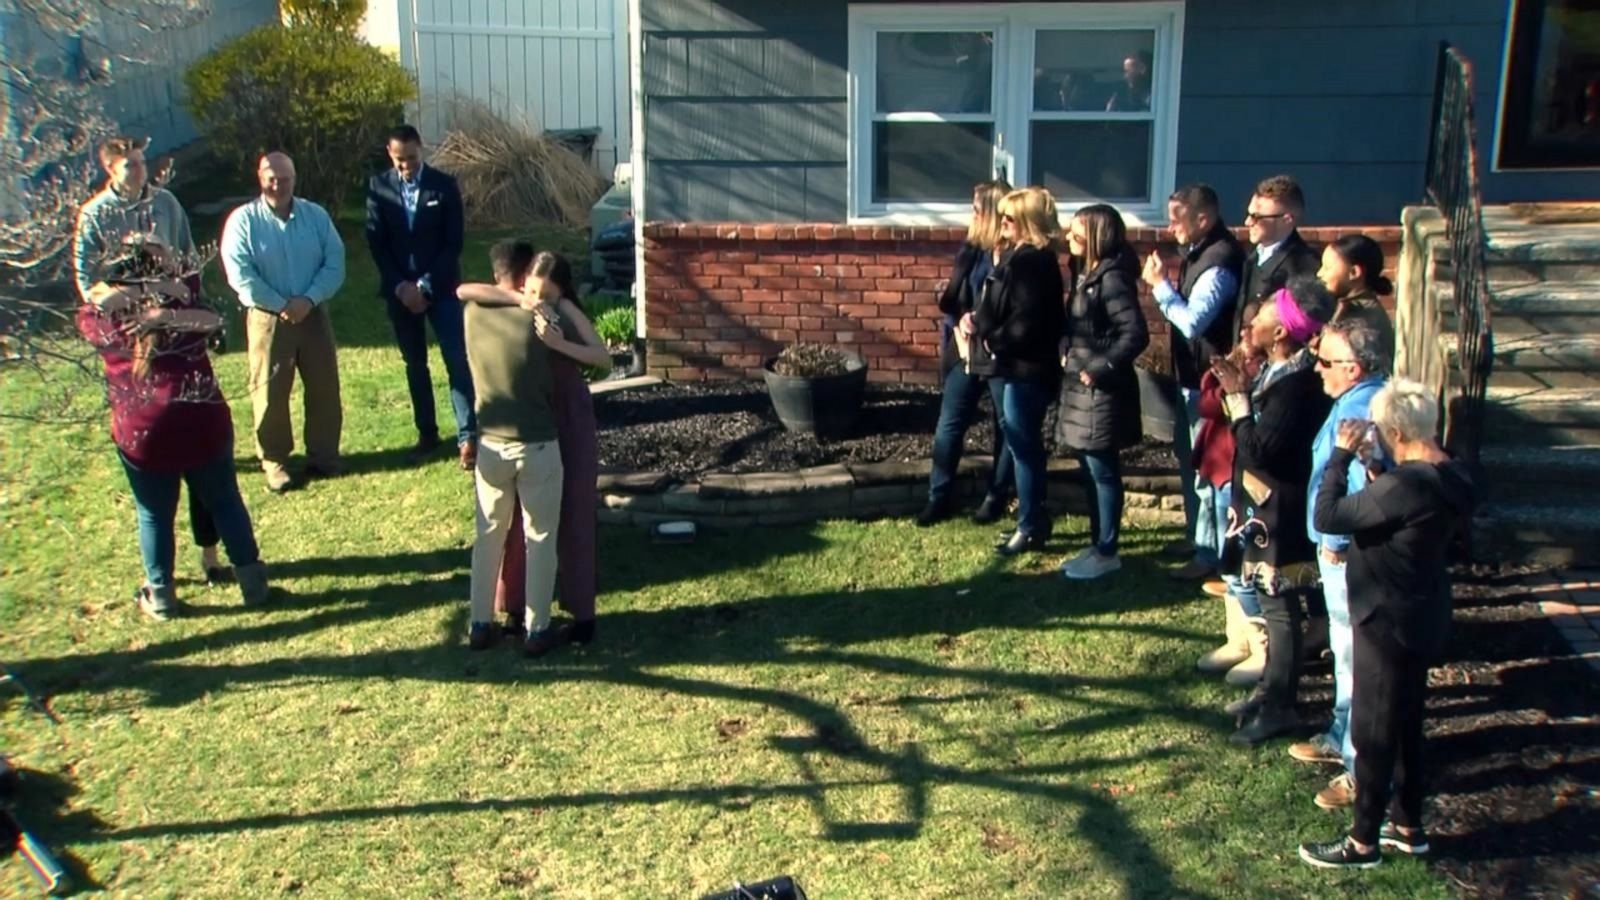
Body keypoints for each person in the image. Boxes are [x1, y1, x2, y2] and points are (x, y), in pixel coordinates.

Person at [1299, 378, 1478, 869]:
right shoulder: (1454, 476)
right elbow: (1400, 518)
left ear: (1396, 429)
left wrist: (1338, 457)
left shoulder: (1407, 486)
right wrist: (1375, 465)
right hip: (1424, 611)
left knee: (1374, 731)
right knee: (1408, 722)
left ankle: (1362, 841)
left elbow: (1330, 513)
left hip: (1384, 618)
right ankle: (1408, 824)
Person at [77, 236, 269, 620]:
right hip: (201, 420)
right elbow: (212, 318)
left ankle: (162, 596)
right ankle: (253, 584)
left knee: (153, 513)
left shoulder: (102, 319)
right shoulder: (183, 305)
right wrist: (165, 305)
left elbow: (91, 304)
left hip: (143, 433)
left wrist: (125, 289)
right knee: (225, 500)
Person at [74, 134, 230, 583]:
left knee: (201, 458)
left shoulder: (166, 204)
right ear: (111, 171)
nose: (138, 171)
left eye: (141, 162)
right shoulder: (94, 217)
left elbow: (186, 262)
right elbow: (90, 288)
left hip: (177, 327)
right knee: (160, 486)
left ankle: (210, 556)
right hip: (131, 337)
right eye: (129, 166)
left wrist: (180, 301)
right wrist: (141, 298)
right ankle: (162, 578)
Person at [1210, 276, 1334, 745]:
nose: (1251, 321)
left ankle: (1281, 704)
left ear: (1281, 331)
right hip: (1260, 510)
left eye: (1262, 315)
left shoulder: (1300, 386)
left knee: (1281, 610)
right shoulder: (1274, 372)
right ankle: (1269, 692)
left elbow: (1262, 447)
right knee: (1268, 604)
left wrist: (1239, 401)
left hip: (1281, 515)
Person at [461, 252, 608, 647]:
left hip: (528, 430)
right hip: (537, 431)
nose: (535, 297)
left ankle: (491, 621)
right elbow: (464, 289)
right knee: (528, 532)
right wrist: (530, 305)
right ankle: (526, 620)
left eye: (543, 292)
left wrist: (558, 335)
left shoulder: (550, 312)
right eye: (529, 288)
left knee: (514, 528)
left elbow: (602, 357)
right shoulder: (534, 315)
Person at [1288, 316, 1391, 811]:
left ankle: (1358, 769)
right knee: (1343, 650)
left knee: (1353, 658)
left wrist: (1335, 538)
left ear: (1353, 368)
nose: (1317, 370)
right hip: (1339, 549)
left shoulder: (1363, 409)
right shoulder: (1354, 398)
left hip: (1347, 553)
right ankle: (1339, 730)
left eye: (1325, 362)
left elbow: (1356, 483)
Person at [456, 240, 567, 656]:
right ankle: (537, 629)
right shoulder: (540, 319)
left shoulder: (472, 315)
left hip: (491, 442)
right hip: (537, 442)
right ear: (525, 278)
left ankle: (480, 623)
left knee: (488, 535)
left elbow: (465, 290)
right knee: (539, 538)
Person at [220, 152, 346, 493]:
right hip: (267, 317)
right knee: (270, 390)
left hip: (313, 311)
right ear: (261, 178)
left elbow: (335, 262)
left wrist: (308, 299)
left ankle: (324, 455)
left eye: (285, 178)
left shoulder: (315, 216)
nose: (278, 185)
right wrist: (280, 304)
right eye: (271, 178)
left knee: (324, 387)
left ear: (295, 178)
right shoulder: (243, 221)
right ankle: (275, 462)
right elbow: (240, 274)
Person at [1142, 184, 1244, 580]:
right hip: (1192, 379)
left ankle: (1211, 558)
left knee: (1210, 471)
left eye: (1176, 218)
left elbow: (1192, 323)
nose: (1170, 227)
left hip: (1210, 382)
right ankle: (1196, 537)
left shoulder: (1219, 261)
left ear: (1203, 219)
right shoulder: (1199, 252)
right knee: (1192, 463)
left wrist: (1160, 286)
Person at [364, 124, 477, 470]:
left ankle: (467, 436)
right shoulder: (378, 187)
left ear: (421, 149)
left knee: (455, 359)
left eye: (411, 158)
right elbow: (376, 242)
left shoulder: (443, 186)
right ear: (390, 153)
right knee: (415, 364)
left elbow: (453, 243)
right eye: (399, 160)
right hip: (400, 292)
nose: (406, 166)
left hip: (440, 288)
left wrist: (426, 286)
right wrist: (401, 287)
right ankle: (427, 433)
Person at [1054, 203, 1148, 579]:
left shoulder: (1111, 279)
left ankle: (1107, 551)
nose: (1068, 238)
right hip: (1080, 388)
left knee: (1102, 471)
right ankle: (1098, 545)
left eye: (1076, 232)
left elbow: (1135, 333)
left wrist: (1098, 367)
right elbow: (1079, 324)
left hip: (1100, 392)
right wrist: (1066, 343)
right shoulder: (1085, 272)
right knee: (1090, 470)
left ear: (1095, 236)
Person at [974, 187, 1067, 556]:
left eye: (1009, 218)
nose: (1003, 223)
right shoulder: (1022, 256)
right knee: (1020, 444)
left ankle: (1030, 525)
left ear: (1027, 222)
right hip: (1019, 367)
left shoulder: (1033, 262)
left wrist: (994, 340)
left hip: (1027, 370)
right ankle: (1031, 520)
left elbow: (1026, 320)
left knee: (1024, 448)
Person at [918, 178, 1014, 527]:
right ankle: (938, 496)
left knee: (1006, 426)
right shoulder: (972, 250)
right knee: (950, 423)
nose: (970, 215)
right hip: (964, 348)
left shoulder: (1015, 255)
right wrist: (957, 324)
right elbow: (956, 298)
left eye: (976, 209)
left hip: (1002, 353)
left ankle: (996, 496)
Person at [1193, 334, 1266, 682]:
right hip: (1223, 472)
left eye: (1252, 337)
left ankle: (1262, 646)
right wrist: (1222, 385)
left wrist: (1239, 391)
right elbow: (1206, 408)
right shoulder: (1227, 374)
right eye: (1242, 335)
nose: (1244, 341)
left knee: (1245, 565)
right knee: (1229, 561)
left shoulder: (1266, 377)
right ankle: (1237, 639)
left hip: (1248, 478)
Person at [1317, 234, 1397, 363]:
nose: (1320, 274)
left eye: (1327, 268)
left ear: (1354, 272)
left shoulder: (1364, 322)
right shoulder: (1344, 307)